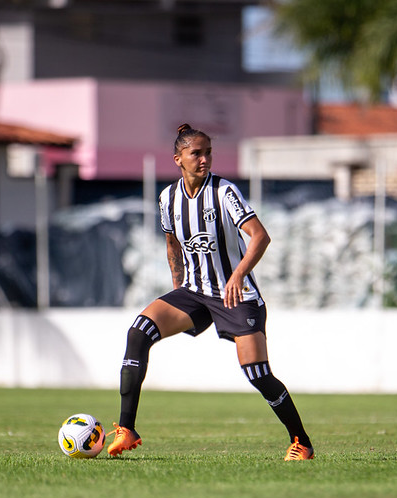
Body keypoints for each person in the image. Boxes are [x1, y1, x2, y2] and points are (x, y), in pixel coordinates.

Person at [107, 123, 314, 461]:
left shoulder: (225, 191)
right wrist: (178, 290)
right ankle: (127, 429)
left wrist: (238, 275)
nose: (204, 160)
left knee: (258, 374)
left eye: (208, 153)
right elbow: (172, 243)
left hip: (237, 295)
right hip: (193, 293)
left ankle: (302, 442)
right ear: (178, 159)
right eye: (196, 154)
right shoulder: (167, 198)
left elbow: (260, 237)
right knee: (138, 331)